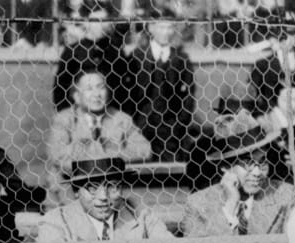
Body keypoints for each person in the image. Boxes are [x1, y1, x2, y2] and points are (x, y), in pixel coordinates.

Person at [181, 111, 295, 238]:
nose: (257, 173)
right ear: (225, 167)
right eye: (247, 163)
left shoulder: (286, 196)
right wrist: (230, 206)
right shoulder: (198, 205)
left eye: (262, 162)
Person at [47, 69, 152, 202]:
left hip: (111, 193)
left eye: (101, 88)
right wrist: (108, 157)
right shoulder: (64, 119)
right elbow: (59, 157)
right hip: (70, 195)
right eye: (89, 89)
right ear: (77, 97)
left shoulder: (120, 119)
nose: (97, 94)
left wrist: (103, 154)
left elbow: (144, 150)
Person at [37, 157, 171, 242]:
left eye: (112, 186)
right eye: (92, 188)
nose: (103, 197)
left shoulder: (142, 215)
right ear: (76, 191)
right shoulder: (55, 222)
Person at [126, 17, 197, 162]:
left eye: (170, 27)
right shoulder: (137, 57)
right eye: (161, 27)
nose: (166, 32)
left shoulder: (181, 59)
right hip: (141, 125)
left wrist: (179, 124)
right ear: (151, 28)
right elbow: (128, 93)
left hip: (170, 128)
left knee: (170, 170)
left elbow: (189, 96)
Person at [51, 0, 126, 112]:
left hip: (110, 116)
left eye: (105, 20)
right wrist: (68, 117)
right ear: (86, 22)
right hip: (81, 116)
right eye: (97, 21)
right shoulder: (73, 51)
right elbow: (60, 90)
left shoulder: (115, 51)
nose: (102, 25)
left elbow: (123, 89)